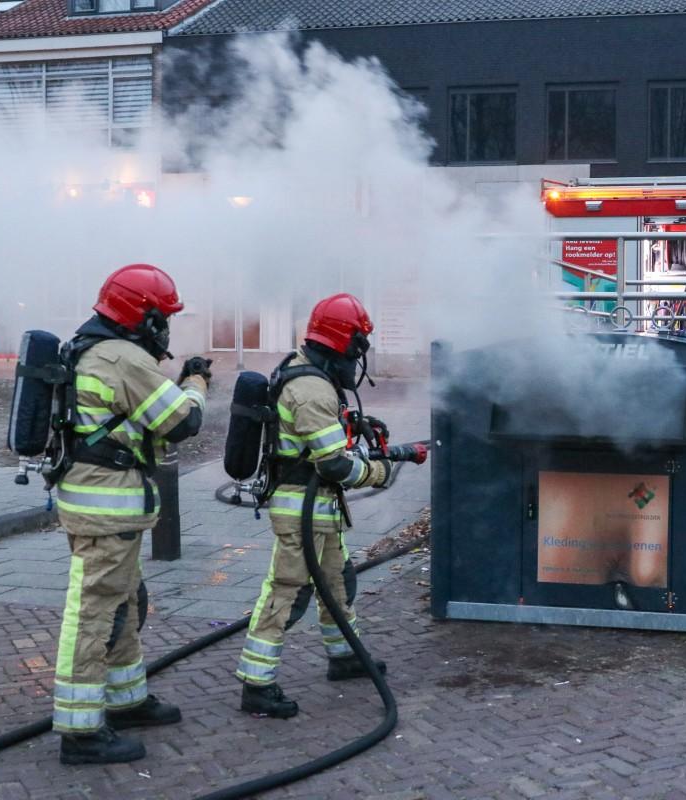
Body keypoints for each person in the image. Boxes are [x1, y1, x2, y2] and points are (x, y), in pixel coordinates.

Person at [235, 293, 425, 718]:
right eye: (357, 346)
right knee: (286, 592)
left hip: (319, 509)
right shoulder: (311, 387)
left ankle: (344, 657)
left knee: (337, 584)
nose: (357, 358)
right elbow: (335, 464)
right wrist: (380, 471)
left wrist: (354, 425)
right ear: (343, 342)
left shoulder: (309, 375)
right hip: (301, 507)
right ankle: (257, 683)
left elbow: (315, 436)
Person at [54, 264, 210, 765]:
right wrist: (196, 383)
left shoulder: (87, 348)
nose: (164, 327)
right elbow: (181, 422)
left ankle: (126, 701)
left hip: (99, 502)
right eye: (161, 316)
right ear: (140, 315)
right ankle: (80, 733)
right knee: (95, 611)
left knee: (122, 602)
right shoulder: (122, 358)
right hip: (106, 506)